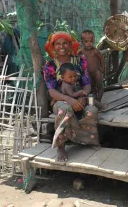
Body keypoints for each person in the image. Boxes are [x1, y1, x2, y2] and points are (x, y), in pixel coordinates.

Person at [43, 31, 99, 162]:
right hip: (61, 99)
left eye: (65, 43)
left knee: (92, 111)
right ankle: (61, 146)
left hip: (80, 97)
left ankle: (87, 141)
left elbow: (86, 83)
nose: (61, 46)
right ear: (53, 46)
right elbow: (51, 91)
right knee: (64, 110)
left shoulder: (80, 61)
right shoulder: (50, 65)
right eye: (57, 44)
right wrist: (69, 99)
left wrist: (82, 97)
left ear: (70, 45)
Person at [79, 30, 105, 102]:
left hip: (97, 71)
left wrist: (102, 69)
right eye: (86, 41)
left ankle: (99, 99)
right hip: (88, 73)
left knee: (100, 86)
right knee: (92, 87)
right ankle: (94, 101)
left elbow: (102, 59)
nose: (89, 44)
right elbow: (75, 55)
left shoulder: (95, 51)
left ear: (94, 41)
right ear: (82, 42)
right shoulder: (81, 51)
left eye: (91, 41)